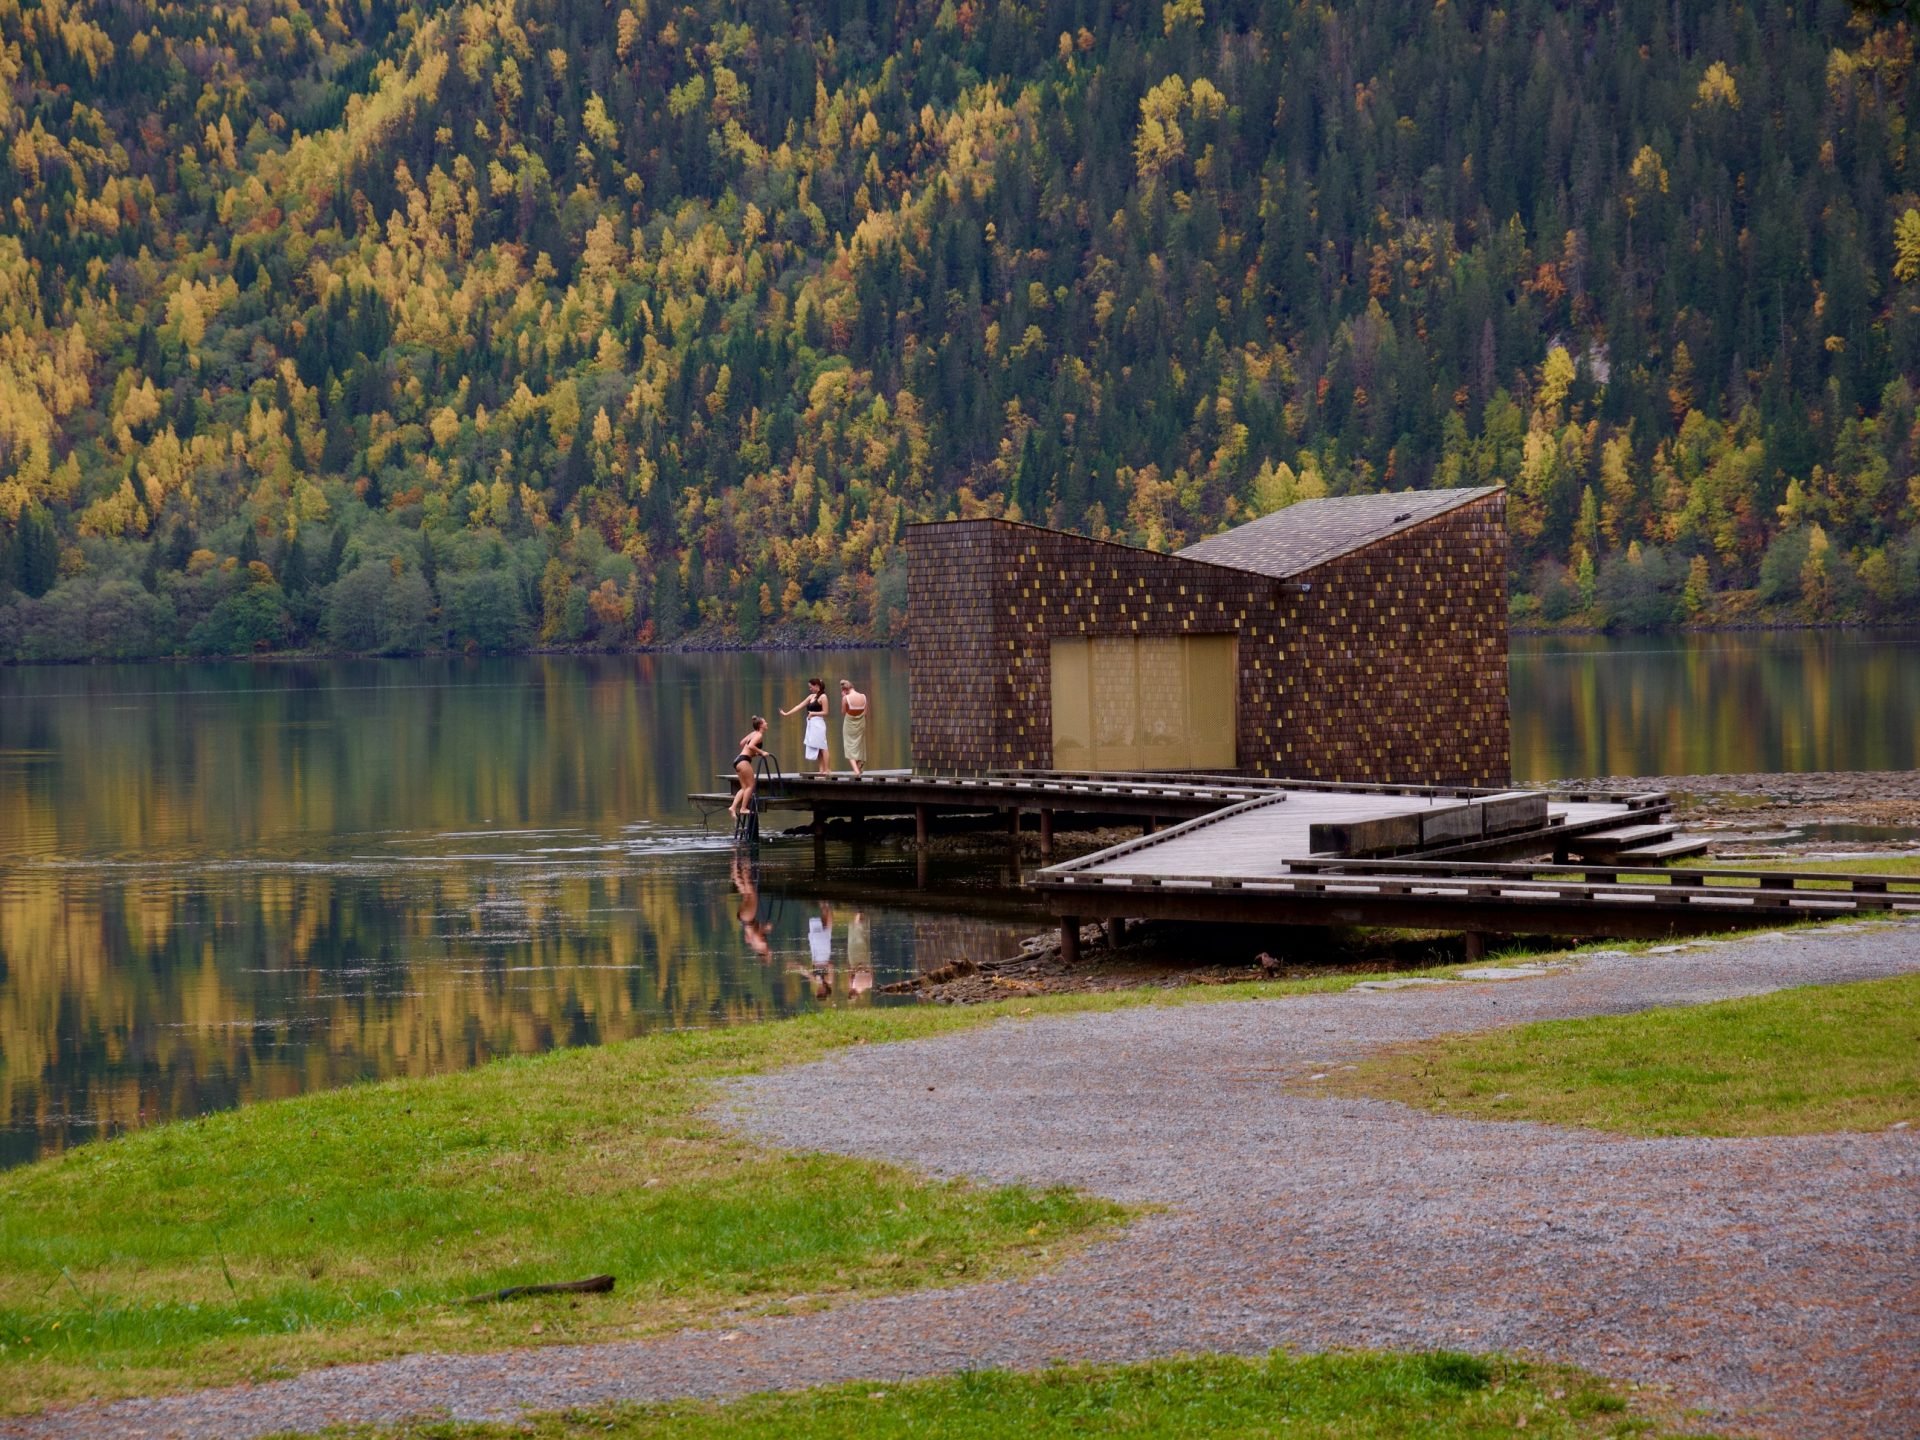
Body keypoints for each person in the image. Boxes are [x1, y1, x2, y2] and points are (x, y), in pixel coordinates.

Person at [781, 678, 831, 774]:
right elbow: (799, 706)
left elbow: (826, 712)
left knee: (823, 746)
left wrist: (813, 713)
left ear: (817, 686)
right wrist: (787, 713)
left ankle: (827, 769)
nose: (810, 689)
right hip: (811, 724)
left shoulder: (823, 697)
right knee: (817, 747)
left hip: (819, 724)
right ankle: (821, 770)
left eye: (811, 687)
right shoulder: (811, 696)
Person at [727, 716, 769, 822]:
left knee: (744, 787)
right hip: (744, 761)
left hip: (738, 760)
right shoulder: (759, 735)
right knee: (751, 785)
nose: (767, 723)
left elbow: (742, 743)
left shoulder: (753, 733)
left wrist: (753, 754)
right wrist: (762, 752)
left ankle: (732, 807)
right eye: (765, 722)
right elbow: (750, 746)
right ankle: (743, 808)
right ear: (760, 726)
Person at [732, 852, 771, 959]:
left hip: (748, 918)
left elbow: (756, 935)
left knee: (752, 893)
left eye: (769, 956)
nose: (771, 953)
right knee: (745, 892)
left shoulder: (761, 945)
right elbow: (747, 938)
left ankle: (745, 860)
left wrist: (765, 929)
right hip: (744, 920)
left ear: (765, 954)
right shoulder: (754, 947)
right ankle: (735, 858)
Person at [839, 679, 870, 776]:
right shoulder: (863, 696)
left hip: (849, 724)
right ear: (852, 687)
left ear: (844, 690)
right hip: (861, 724)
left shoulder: (846, 698)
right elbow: (865, 713)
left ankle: (856, 772)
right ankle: (859, 764)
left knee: (849, 747)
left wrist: (844, 697)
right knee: (859, 745)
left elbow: (843, 713)